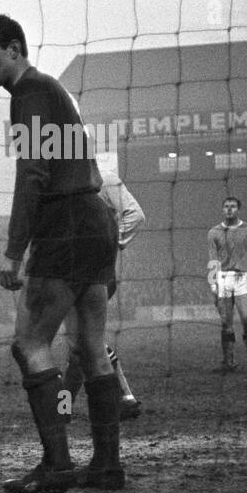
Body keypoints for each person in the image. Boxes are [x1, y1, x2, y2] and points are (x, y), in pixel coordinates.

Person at [0, 13, 123, 493]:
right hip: (95, 220)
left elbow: (33, 173)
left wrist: (14, 252)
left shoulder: (30, 93)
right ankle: (106, 466)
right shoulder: (52, 91)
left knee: (28, 343)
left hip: (66, 224)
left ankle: (57, 465)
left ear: (15, 49)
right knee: (92, 348)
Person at [63, 168, 146, 417]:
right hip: (75, 269)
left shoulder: (104, 180)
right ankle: (64, 408)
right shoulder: (69, 180)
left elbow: (136, 215)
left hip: (91, 271)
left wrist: (111, 240)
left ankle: (123, 398)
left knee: (86, 341)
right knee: (78, 346)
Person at [207, 197, 247, 372]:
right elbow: (212, 259)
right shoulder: (214, 232)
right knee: (226, 322)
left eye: (233, 206)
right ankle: (228, 362)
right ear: (222, 209)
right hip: (222, 278)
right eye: (226, 207)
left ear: (238, 209)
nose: (229, 209)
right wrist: (213, 284)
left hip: (242, 278)